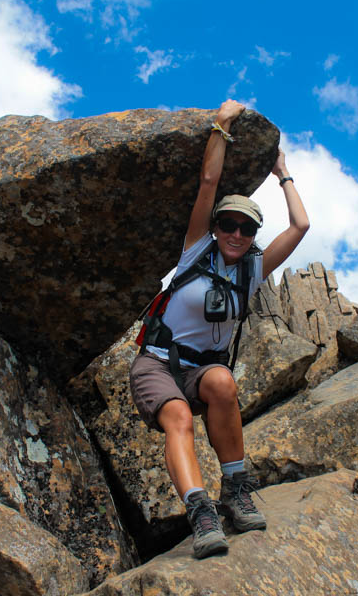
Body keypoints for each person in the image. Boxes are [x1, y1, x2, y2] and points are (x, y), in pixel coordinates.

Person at [129, 99, 309, 559]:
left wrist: (282, 172)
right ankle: (201, 513)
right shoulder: (194, 253)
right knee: (180, 419)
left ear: (253, 237)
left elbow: (301, 224)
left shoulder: (251, 272)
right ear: (215, 228)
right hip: (157, 363)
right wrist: (222, 125)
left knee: (224, 382)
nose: (236, 233)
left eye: (246, 229)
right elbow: (209, 182)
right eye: (228, 224)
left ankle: (235, 489)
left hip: (201, 372)